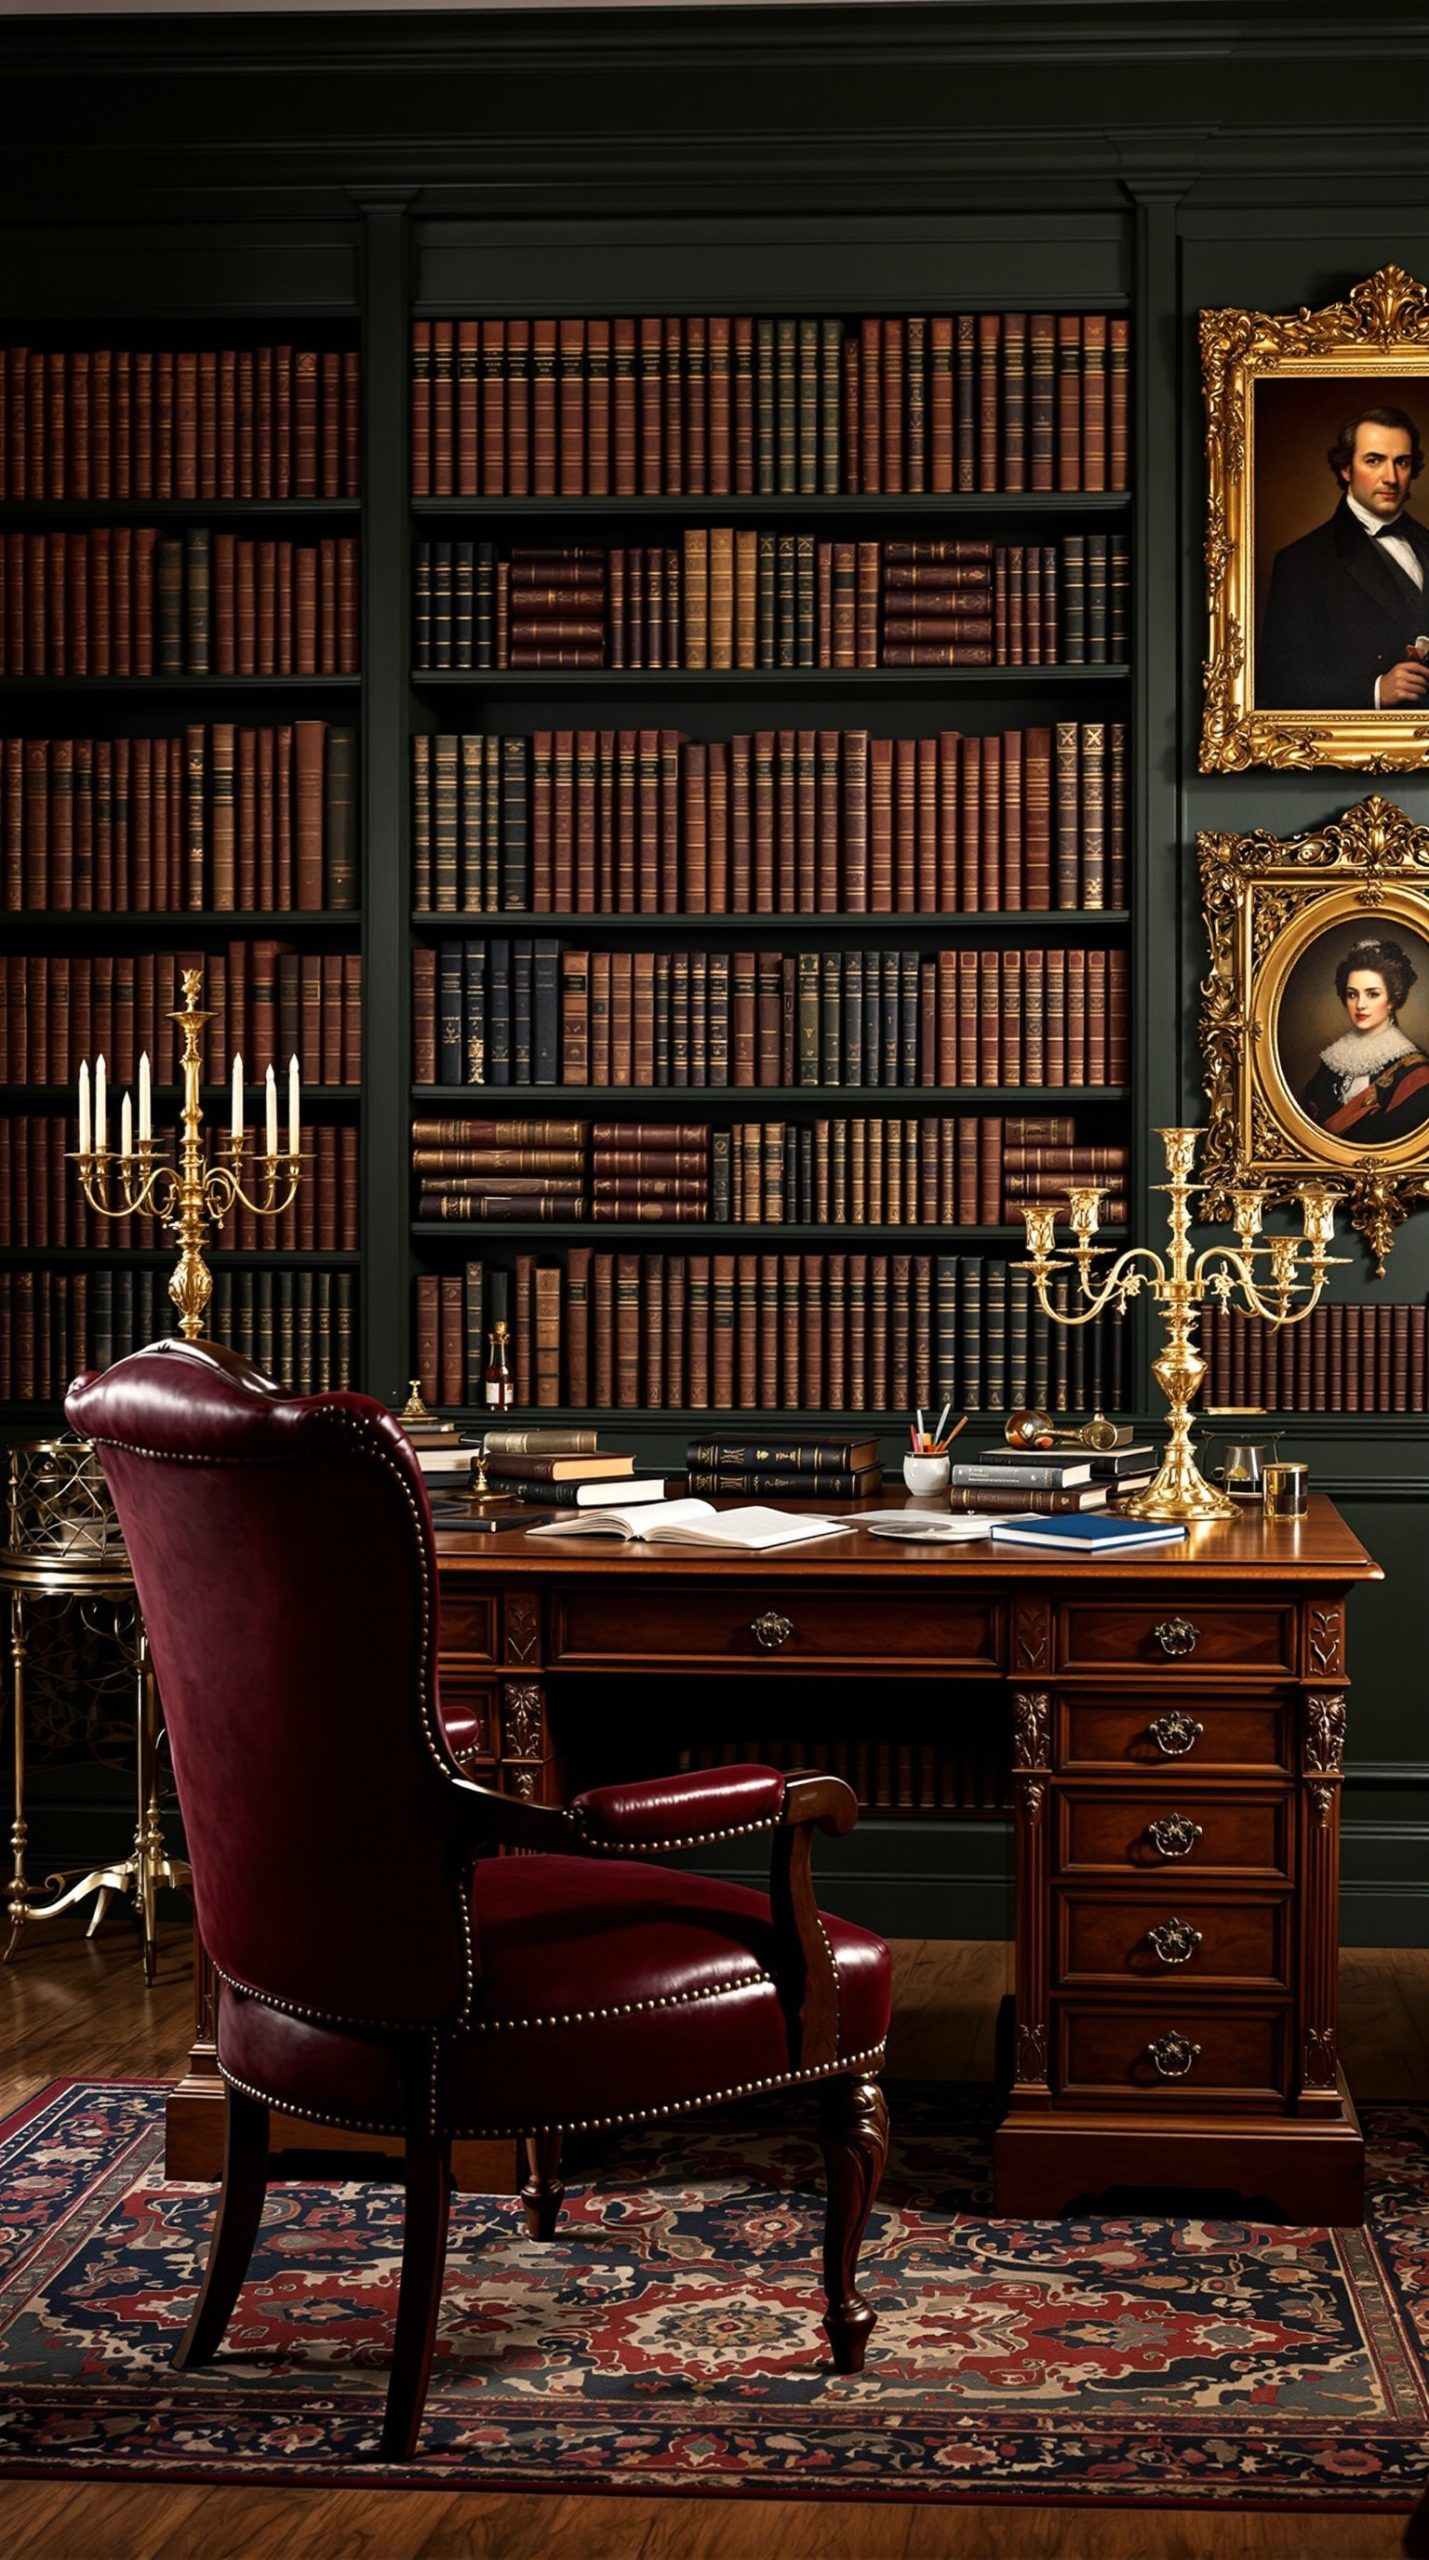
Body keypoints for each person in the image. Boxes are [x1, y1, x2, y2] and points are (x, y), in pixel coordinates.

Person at [1258, 407, 1429, 710]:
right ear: (1346, 468)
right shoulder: (1300, 562)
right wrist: (1374, 691)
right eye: (1374, 461)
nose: (1391, 478)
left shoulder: (1424, 541)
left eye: (1401, 462)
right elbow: (1280, 683)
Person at [1296, 938, 1429, 1142]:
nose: (1360, 1005)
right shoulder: (1334, 1059)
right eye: (1352, 995)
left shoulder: (1416, 1073)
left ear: (1392, 999)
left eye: (1372, 994)